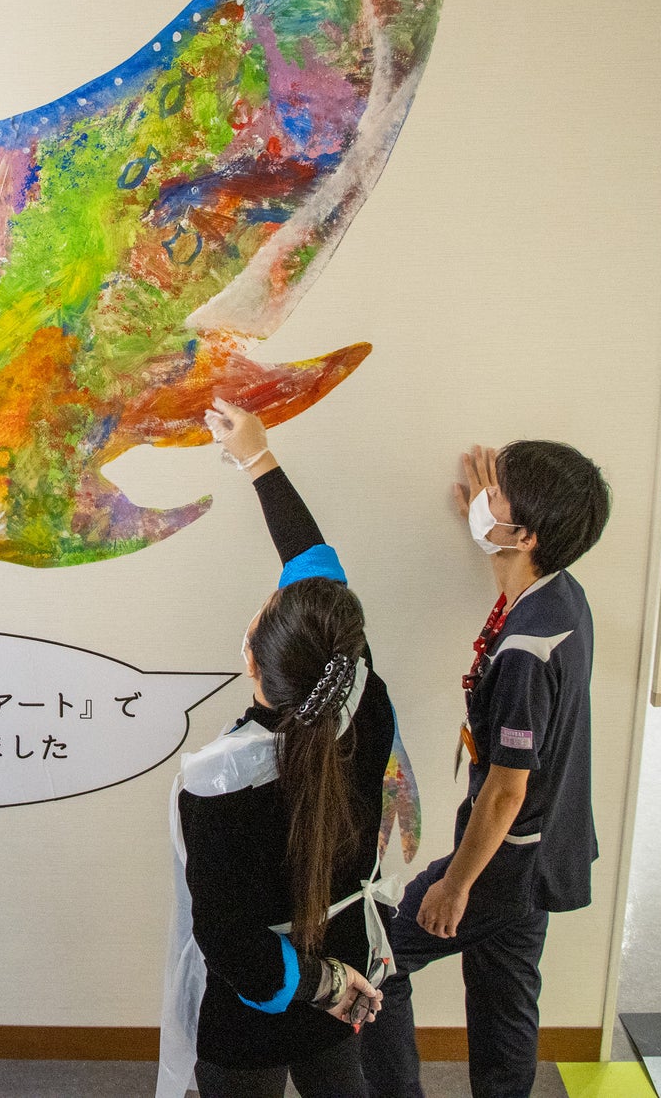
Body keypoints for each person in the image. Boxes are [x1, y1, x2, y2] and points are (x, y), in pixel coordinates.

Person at [156, 400, 404, 1098]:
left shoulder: (219, 783)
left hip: (262, 1003)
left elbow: (231, 945)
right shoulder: (363, 696)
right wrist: (258, 458)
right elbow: (314, 568)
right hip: (347, 972)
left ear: (251, 661)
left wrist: (319, 985)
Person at [361, 441, 612, 1098]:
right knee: (506, 997)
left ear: (526, 535)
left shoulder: (527, 653)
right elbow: (515, 578)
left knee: (378, 957)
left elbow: (505, 791)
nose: (485, 498)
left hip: (506, 859)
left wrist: (456, 886)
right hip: (543, 849)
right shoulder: (563, 597)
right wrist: (489, 525)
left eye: (496, 495)